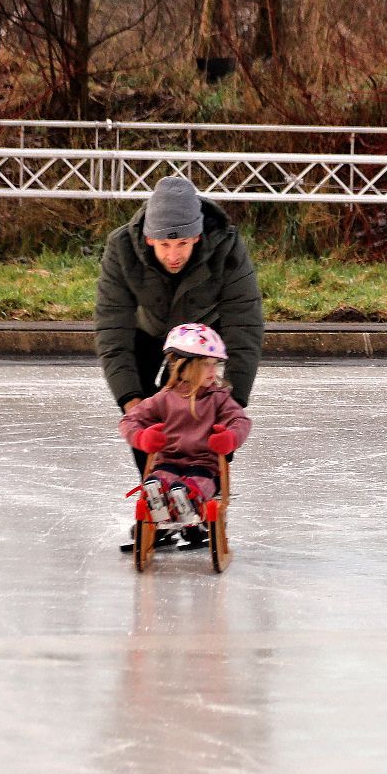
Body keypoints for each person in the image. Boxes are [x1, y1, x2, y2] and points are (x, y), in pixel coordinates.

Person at [96, 175, 264, 474]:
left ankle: (206, 487)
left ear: (197, 236)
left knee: (209, 405)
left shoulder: (227, 246)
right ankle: (156, 486)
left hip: (205, 335)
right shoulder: (121, 248)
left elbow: (244, 325)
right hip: (148, 330)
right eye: (164, 244)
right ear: (149, 239)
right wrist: (131, 400)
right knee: (148, 411)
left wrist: (231, 409)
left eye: (182, 243)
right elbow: (112, 328)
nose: (173, 255)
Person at [119, 324, 252, 551]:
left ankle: (189, 510)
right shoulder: (164, 398)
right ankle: (159, 509)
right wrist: (143, 438)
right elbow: (129, 421)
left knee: (190, 487)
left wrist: (230, 438)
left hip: (204, 466)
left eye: (215, 364)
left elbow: (240, 421)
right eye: (205, 365)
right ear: (183, 366)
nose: (213, 371)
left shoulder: (218, 398)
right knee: (158, 482)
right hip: (168, 462)